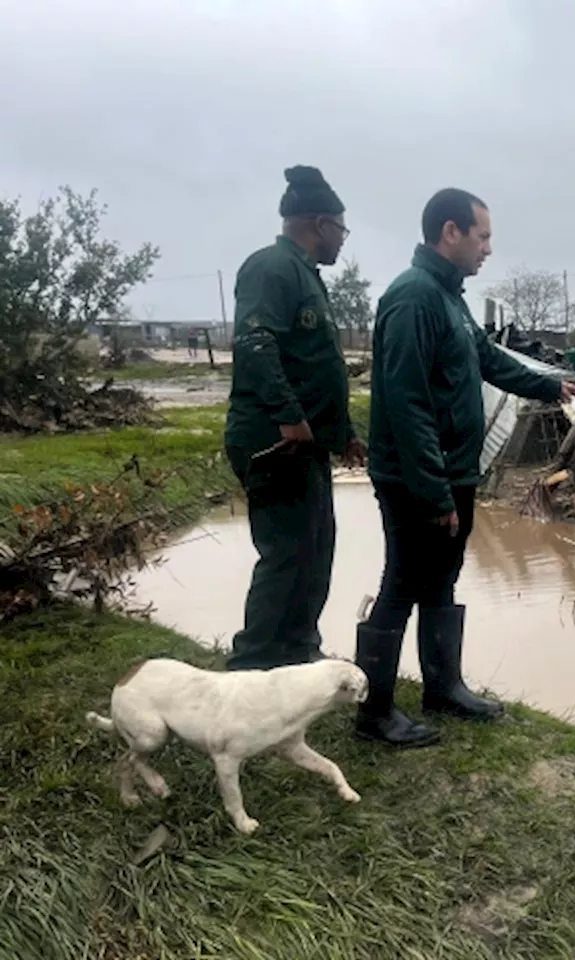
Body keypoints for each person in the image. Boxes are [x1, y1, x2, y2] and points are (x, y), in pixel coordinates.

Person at [356, 188, 575, 747]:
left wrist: (550, 385)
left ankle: (442, 687)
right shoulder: (412, 299)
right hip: (416, 478)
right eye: (481, 236)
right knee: (402, 581)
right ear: (450, 232)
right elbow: (406, 404)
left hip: (453, 472)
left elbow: (488, 359)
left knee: (442, 578)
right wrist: (432, 493)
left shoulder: (449, 298)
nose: (487, 249)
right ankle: (374, 712)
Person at [222, 165, 367, 672]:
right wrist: (288, 417)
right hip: (274, 441)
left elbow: (316, 363)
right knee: (286, 556)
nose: (343, 242)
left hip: (307, 444)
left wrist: (342, 431)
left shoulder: (307, 276)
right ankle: (250, 667)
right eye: (342, 230)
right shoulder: (271, 268)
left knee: (314, 550)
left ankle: (297, 653)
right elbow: (256, 342)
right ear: (320, 223)